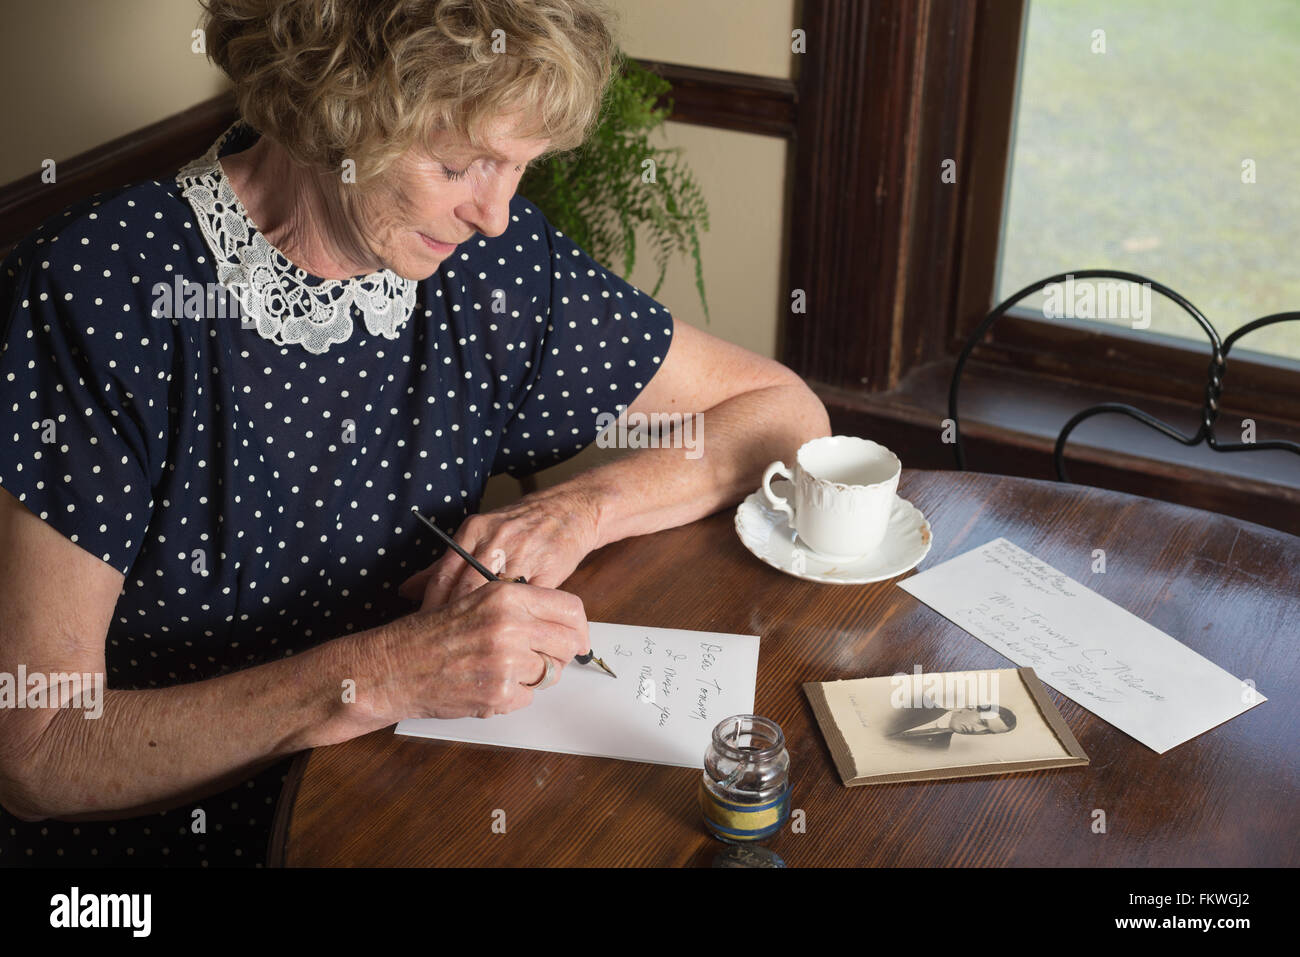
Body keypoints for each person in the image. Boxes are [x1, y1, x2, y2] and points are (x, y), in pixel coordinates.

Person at [0, 0, 830, 866]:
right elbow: (36, 748)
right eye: (462, 163)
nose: (497, 213)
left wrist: (580, 511)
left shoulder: (489, 270)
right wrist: (383, 676)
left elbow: (779, 413)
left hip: (408, 805)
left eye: (520, 167)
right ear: (340, 106)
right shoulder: (99, 294)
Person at [886, 706, 1018, 749]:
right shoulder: (916, 704)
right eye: (983, 722)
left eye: (987, 732)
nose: (977, 730)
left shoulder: (939, 749)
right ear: (970, 708)